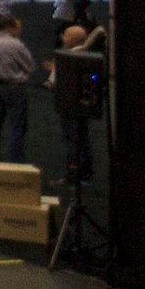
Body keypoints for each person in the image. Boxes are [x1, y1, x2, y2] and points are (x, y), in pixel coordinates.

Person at [49, 22, 107, 188]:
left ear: (72, 40)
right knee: (83, 138)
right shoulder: (89, 57)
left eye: (66, 35)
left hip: (69, 105)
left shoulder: (67, 58)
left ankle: (73, 173)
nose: (63, 38)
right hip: (82, 105)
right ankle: (85, 172)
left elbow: (56, 82)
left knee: (72, 140)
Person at [0, 14, 36, 162]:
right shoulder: (16, 44)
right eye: (18, 28)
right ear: (10, 27)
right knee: (16, 127)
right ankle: (15, 161)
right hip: (14, 88)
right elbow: (30, 66)